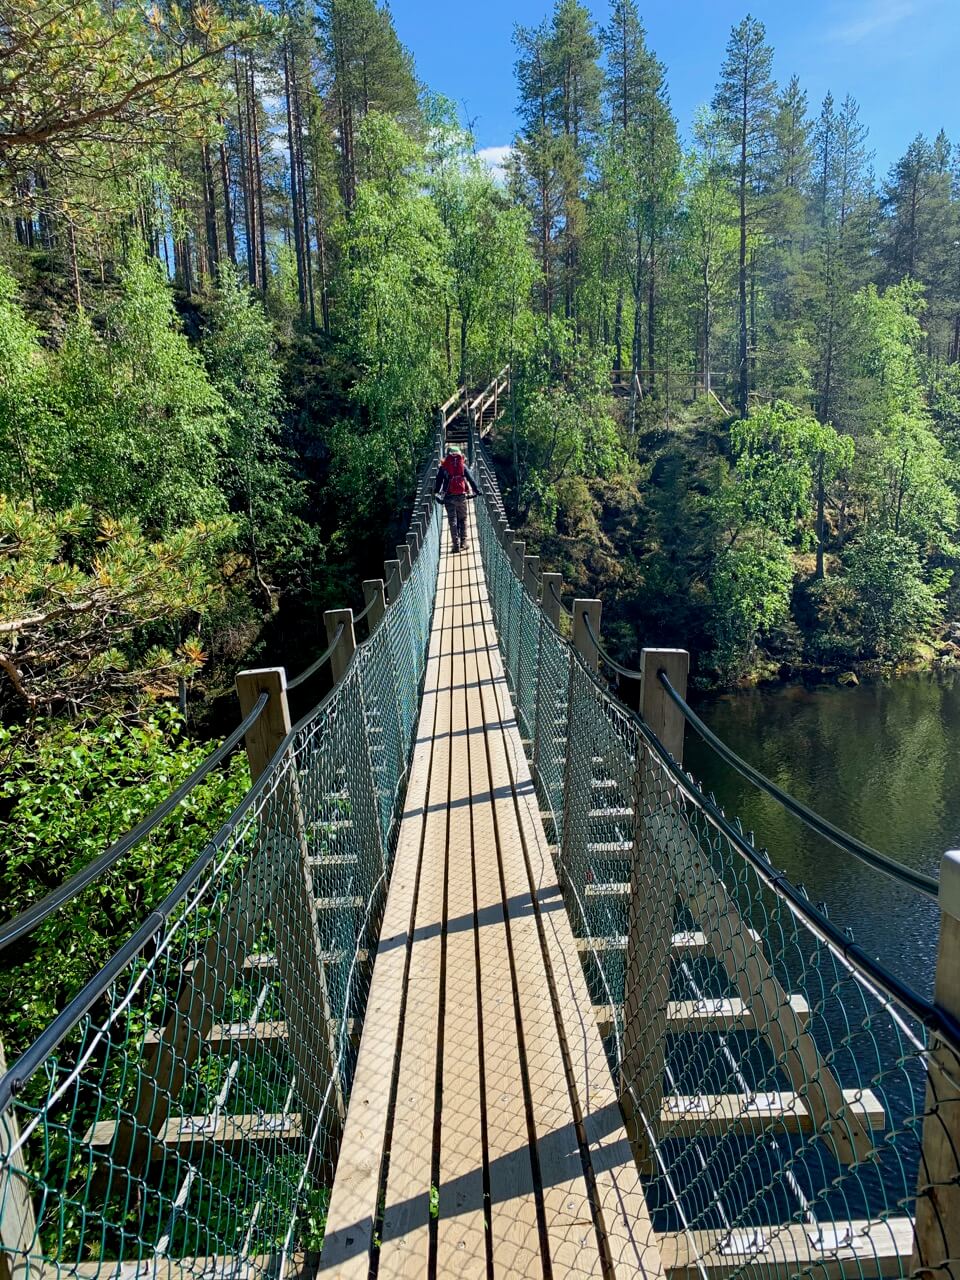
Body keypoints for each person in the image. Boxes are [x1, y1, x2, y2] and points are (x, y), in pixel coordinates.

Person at [434, 444, 480, 552]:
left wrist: (436, 492)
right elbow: (471, 479)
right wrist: (477, 490)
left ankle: (455, 545)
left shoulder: (444, 467)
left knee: (452, 520)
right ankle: (464, 543)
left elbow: (438, 482)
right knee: (463, 518)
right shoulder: (462, 466)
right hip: (461, 496)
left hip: (448, 497)